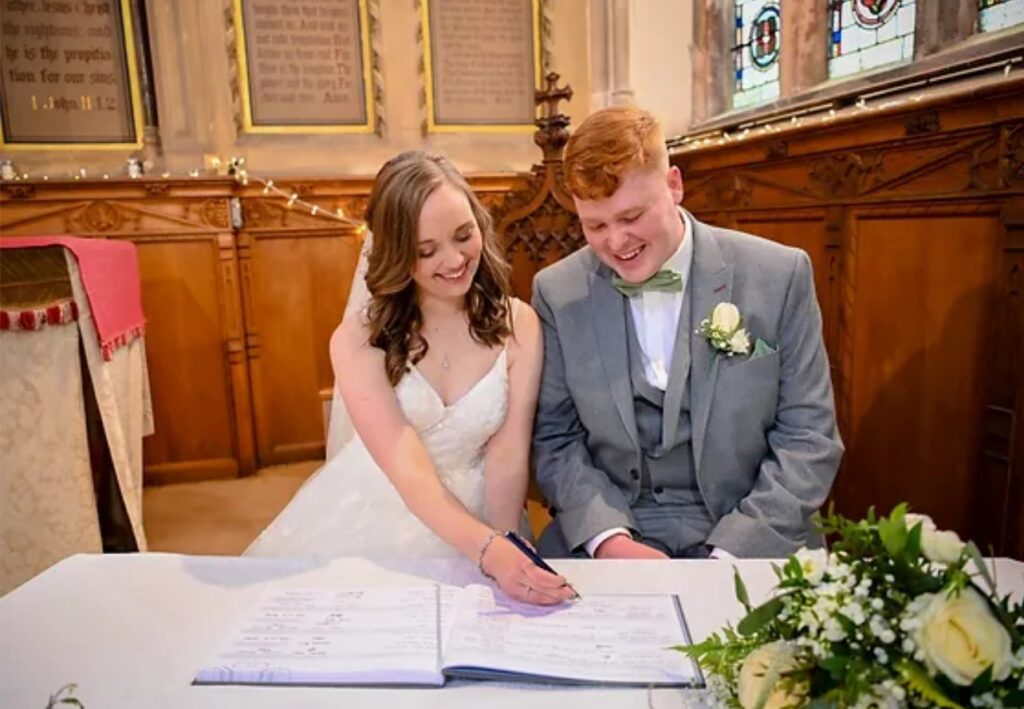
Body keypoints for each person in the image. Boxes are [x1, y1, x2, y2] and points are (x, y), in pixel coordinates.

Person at [246, 150, 574, 606]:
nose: (454, 259)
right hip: (383, 505)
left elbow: (508, 455)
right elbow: (408, 469)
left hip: (487, 509)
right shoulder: (358, 339)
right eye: (426, 251)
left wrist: (506, 544)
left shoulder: (519, 324)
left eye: (464, 235)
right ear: (397, 254)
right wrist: (485, 549)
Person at [532, 106, 843, 560]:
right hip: (618, 528)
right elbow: (555, 440)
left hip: (752, 528)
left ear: (674, 185)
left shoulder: (779, 274)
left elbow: (809, 435)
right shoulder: (558, 292)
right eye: (595, 225)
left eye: (632, 216)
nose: (616, 243)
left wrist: (734, 551)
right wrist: (610, 540)